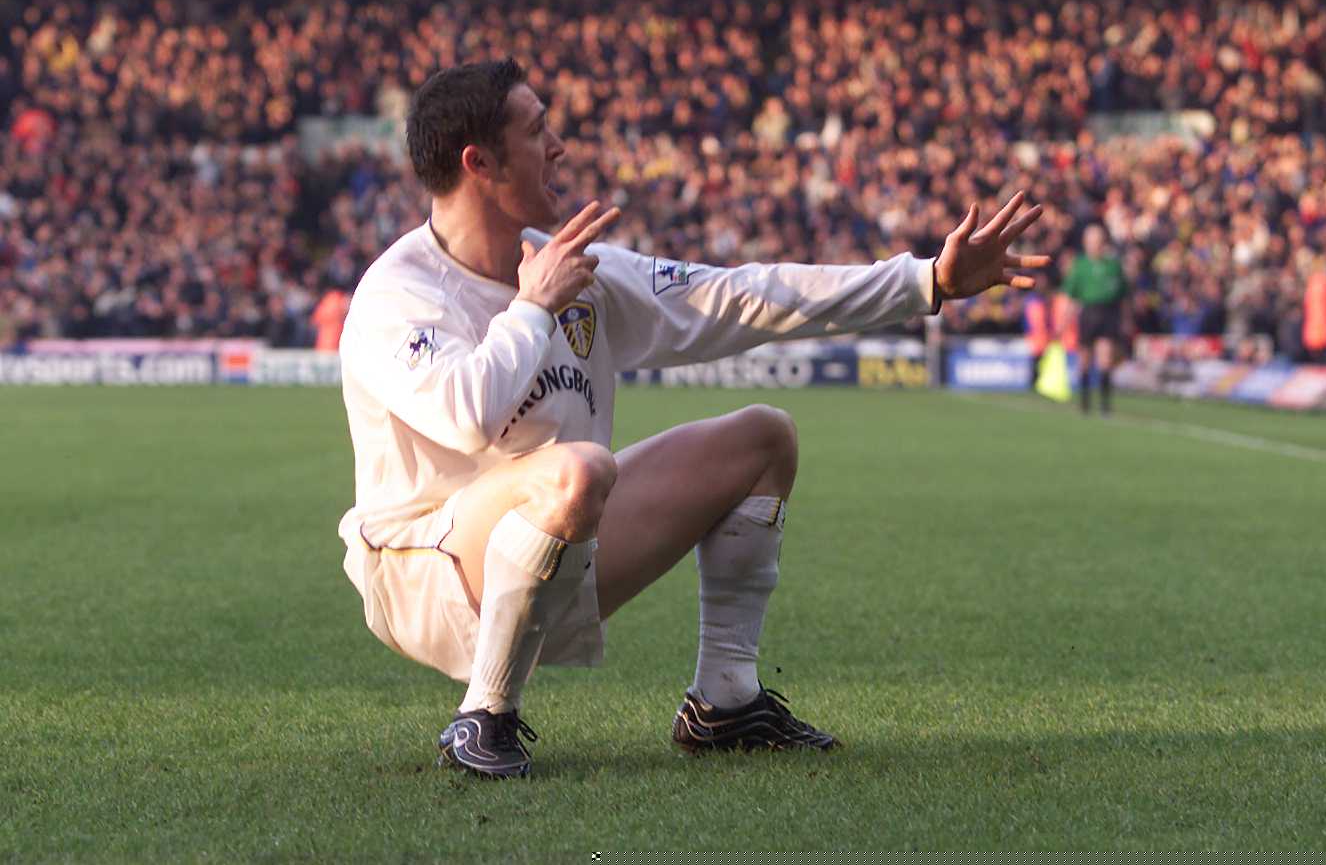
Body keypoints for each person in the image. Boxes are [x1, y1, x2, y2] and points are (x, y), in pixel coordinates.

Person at [336, 59, 1049, 779]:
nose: (558, 146)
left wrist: (924, 280)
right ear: (478, 161)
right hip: (420, 575)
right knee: (578, 471)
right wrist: (531, 306)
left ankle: (724, 700)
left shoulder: (577, 271)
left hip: (550, 546)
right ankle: (485, 716)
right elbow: (466, 415)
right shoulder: (397, 293)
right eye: (537, 130)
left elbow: (744, 295)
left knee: (763, 439)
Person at [1061, 225, 1128, 414]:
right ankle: (1085, 403)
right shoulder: (1080, 265)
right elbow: (1072, 298)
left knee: (1105, 360)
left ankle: (1105, 405)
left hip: (1108, 313)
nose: (1095, 246)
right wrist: (1064, 322)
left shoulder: (1113, 266)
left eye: (1098, 242)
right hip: (1088, 313)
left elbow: (1123, 297)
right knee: (1084, 360)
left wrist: (1125, 319)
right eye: (1091, 242)